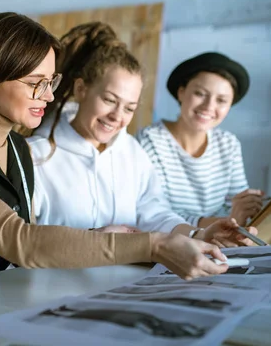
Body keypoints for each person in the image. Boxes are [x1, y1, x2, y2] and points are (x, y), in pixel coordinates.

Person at [0, 12, 231, 283]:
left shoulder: (18, 149)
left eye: (51, 83)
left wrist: (97, 235)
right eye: (36, 84)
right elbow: (19, 240)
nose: (47, 97)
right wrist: (152, 246)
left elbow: (34, 239)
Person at [28, 22, 255, 249]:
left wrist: (199, 235)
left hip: (126, 282)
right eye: (109, 100)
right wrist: (95, 238)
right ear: (81, 89)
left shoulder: (131, 152)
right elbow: (21, 241)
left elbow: (155, 214)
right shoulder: (36, 155)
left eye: (129, 108)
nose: (117, 116)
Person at [136, 52, 271, 243]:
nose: (208, 106)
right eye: (200, 94)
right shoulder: (149, 141)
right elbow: (154, 215)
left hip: (218, 243)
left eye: (221, 100)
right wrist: (230, 220)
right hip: (170, 246)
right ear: (181, 92)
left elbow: (238, 209)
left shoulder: (228, 144)